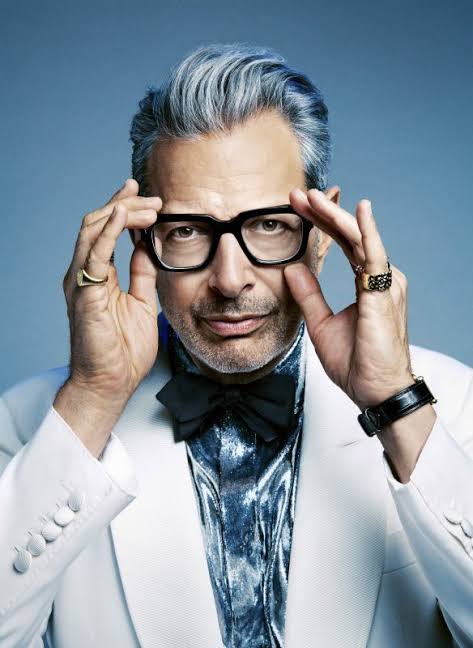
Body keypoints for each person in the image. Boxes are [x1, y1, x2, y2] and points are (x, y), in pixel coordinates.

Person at [0, 43, 472, 648]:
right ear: (142, 242)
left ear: (322, 234)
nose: (229, 280)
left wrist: (394, 402)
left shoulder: (450, 407)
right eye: (188, 231)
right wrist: (93, 398)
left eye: (268, 225)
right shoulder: (33, 427)